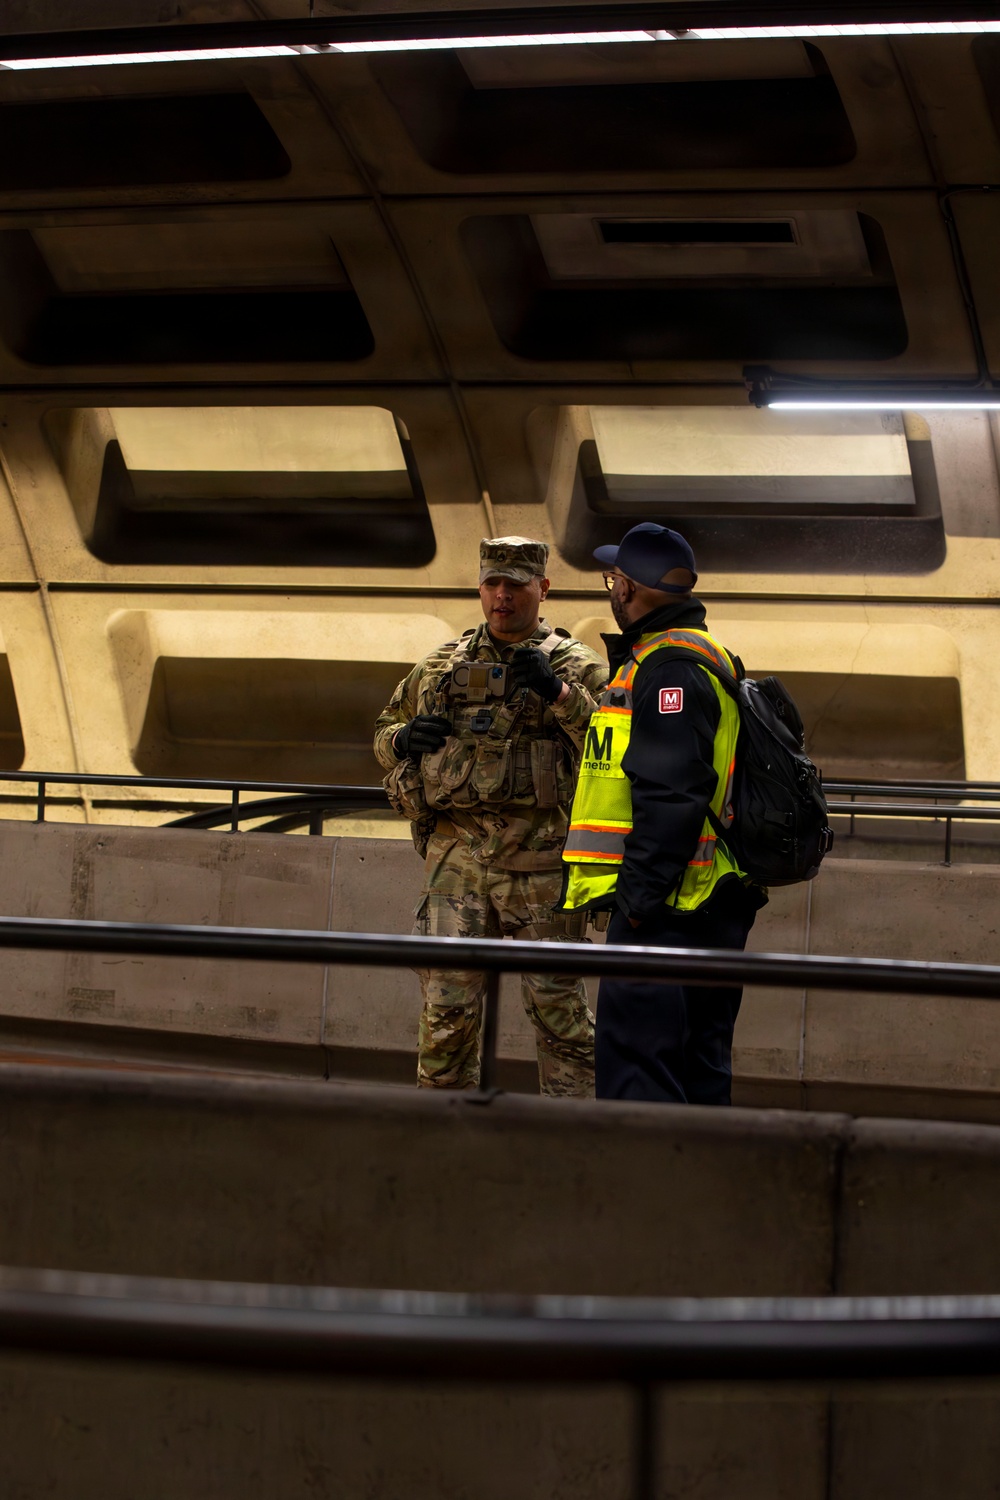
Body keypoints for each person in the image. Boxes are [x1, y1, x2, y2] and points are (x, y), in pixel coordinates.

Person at [374, 536, 608, 1097]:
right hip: (456, 864)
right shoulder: (438, 666)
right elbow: (383, 736)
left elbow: (615, 747)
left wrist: (559, 694)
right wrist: (405, 738)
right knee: (445, 1019)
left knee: (562, 1021)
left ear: (543, 589)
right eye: (491, 584)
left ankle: (572, 1147)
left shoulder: (577, 666)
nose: (502, 596)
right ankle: (446, 1143)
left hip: (542, 865)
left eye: (516, 585)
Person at [559, 522, 767, 1104]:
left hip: (672, 906)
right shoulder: (709, 655)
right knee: (699, 1070)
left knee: (639, 1075)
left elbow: (673, 793)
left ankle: (646, 1192)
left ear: (630, 587)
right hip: (707, 904)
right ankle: (698, 1190)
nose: (611, 590)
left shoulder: (668, 668)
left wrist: (638, 903)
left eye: (613, 579)